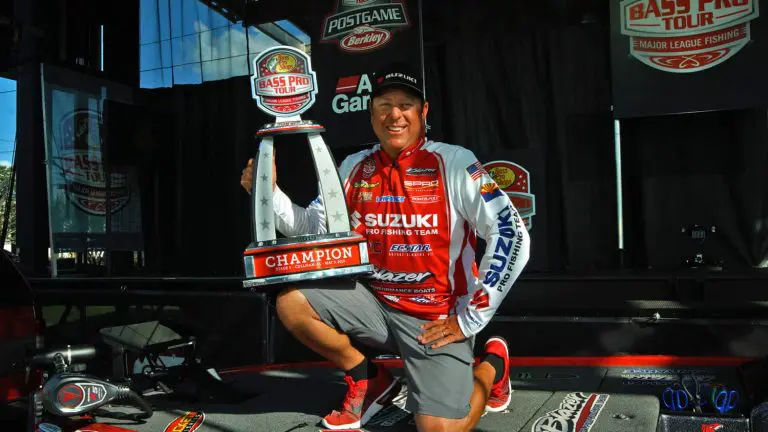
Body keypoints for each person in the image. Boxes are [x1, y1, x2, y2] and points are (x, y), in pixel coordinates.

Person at [240, 62, 530, 432]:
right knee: (292, 302)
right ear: (371, 113)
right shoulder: (353, 166)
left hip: (435, 318)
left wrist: (469, 318)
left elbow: (512, 233)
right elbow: (314, 228)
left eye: (406, 105)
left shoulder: (455, 162)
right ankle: (370, 380)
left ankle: (492, 365)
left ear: (423, 112)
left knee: (440, 429)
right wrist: (269, 194)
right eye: (384, 105)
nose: (395, 115)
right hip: (374, 305)